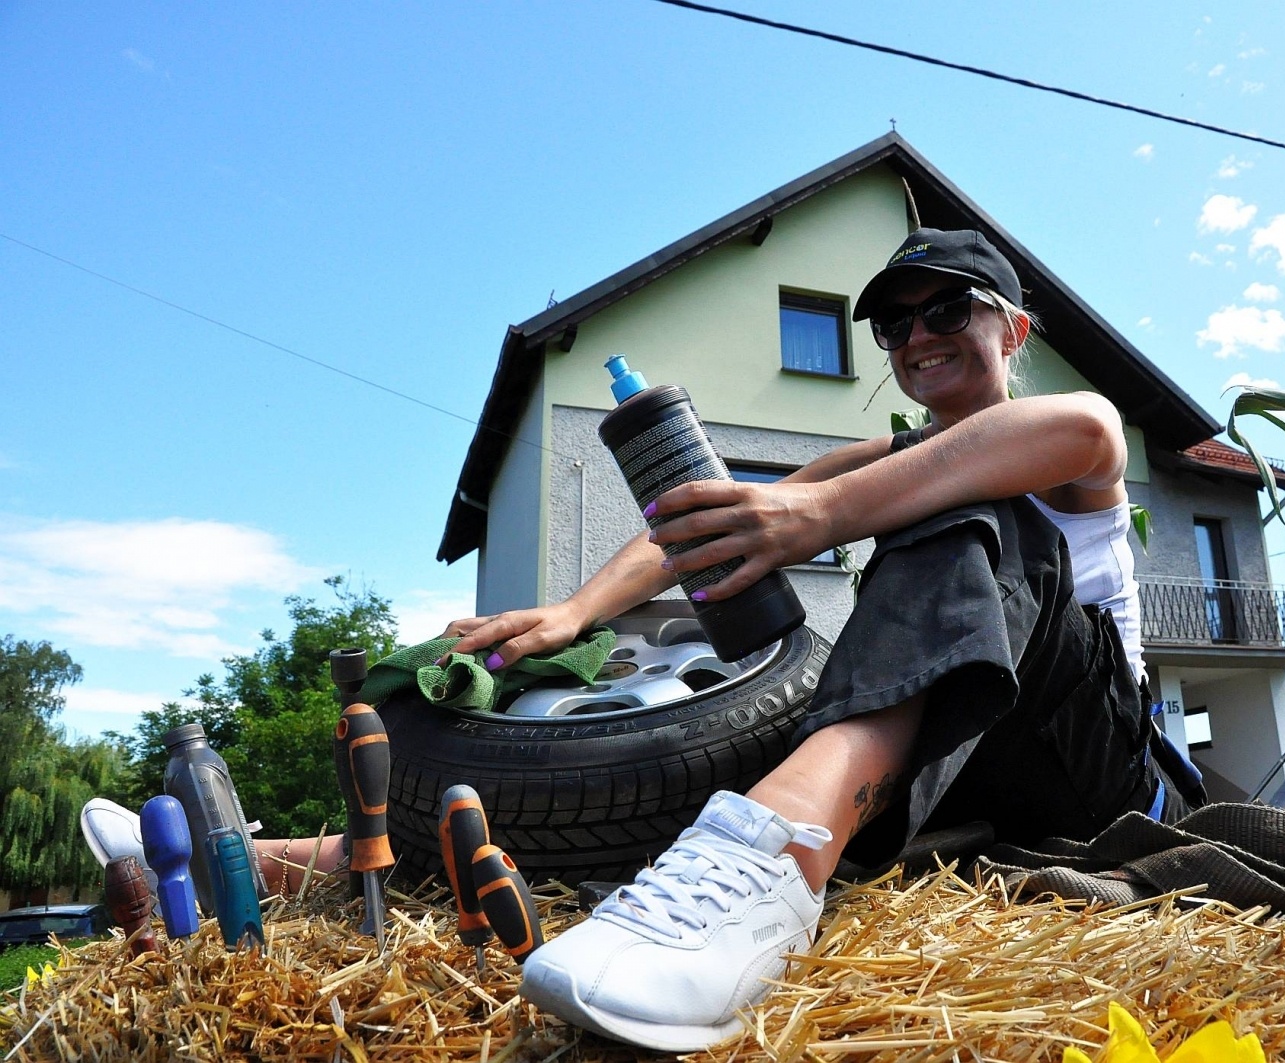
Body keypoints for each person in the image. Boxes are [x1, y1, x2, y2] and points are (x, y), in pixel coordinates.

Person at [424, 227, 1200, 1053]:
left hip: (1103, 779)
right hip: (970, 781)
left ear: (1012, 329)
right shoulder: (900, 454)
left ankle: (774, 867)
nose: (920, 336)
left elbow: (1088, 426)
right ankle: (315, 856)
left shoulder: (1055, 449)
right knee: (713, 734)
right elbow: (698, 524)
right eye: (895, 327)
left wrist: (822, 514)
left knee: (957, 499)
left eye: (946, 309)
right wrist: (576, 611)